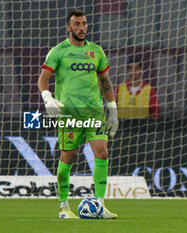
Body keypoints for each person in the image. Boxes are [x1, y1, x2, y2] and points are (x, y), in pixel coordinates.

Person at [38, 10, 118, 219]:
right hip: (69, 114)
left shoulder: (96, 51)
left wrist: (113, 109)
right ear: (68, 27)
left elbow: (105, 81)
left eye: (84, 24)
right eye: (77, 24)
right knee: (68, 158)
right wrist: (48, 98)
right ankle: (64, 207)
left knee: (102, 153)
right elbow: (43, 79)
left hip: (94, 112)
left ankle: (100, 205)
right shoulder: (59, 51)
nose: (81, 28)